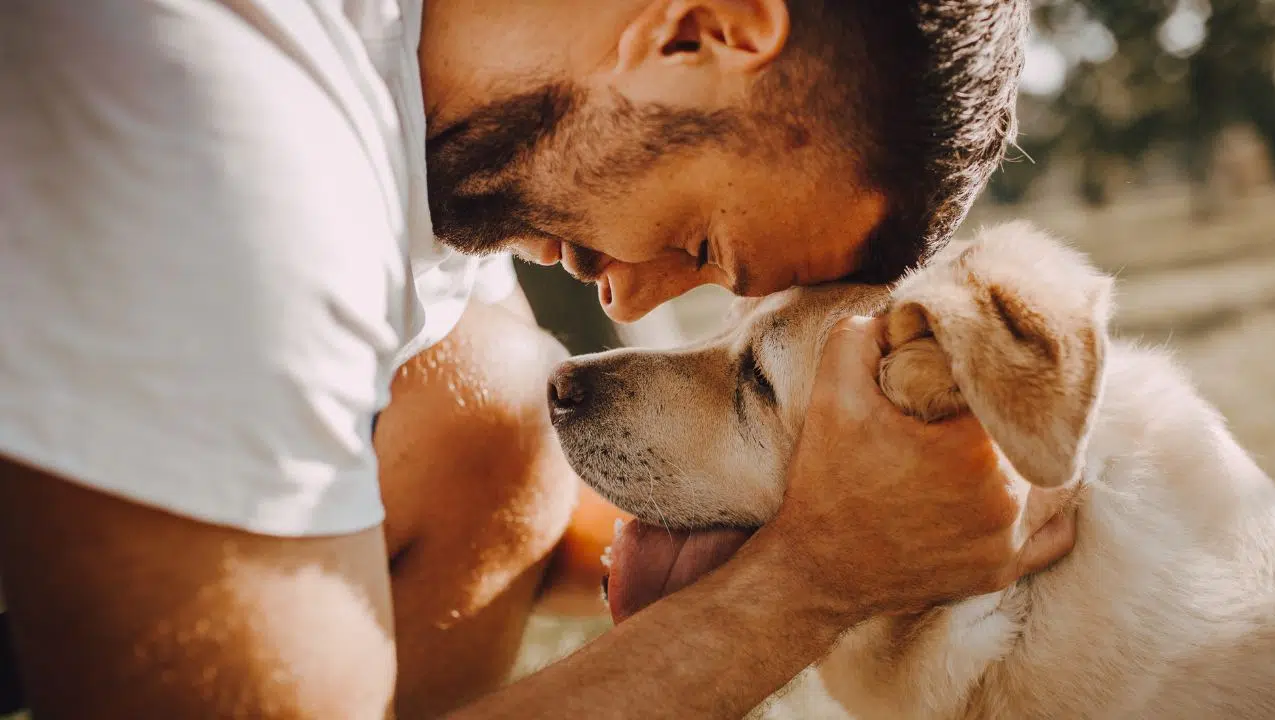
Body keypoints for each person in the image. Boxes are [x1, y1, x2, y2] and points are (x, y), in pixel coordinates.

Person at [0, 0, 1073, 718]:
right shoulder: (228, 134)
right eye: (700, 241)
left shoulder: (405, 110)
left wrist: (862, 511)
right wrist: (813, 581)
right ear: (698, 30)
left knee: (492, 409)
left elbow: (507, 505)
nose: (630, 293)